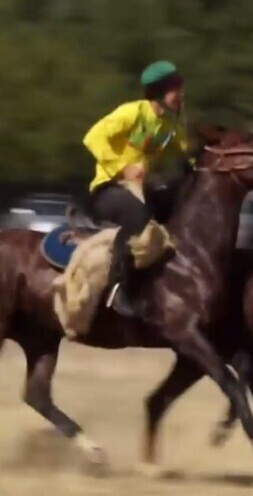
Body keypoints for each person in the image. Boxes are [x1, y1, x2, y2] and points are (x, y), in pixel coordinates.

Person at [82, 60, 191, 317]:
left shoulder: (171, 127)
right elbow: (92, 137)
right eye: (176, 89)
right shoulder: (131, 112)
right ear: (160, 92)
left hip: (141, 189)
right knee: (138, 216)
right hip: (110, 188)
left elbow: (189, 157)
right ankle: (117, 287)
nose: (181, 95)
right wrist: (122, 168)